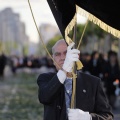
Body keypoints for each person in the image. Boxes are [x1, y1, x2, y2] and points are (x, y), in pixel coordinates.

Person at [37, 39, 113, 120]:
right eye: (57, 54)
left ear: (76, 55)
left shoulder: (93, 82)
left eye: (66, 53)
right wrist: (65, 69)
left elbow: (108, 116)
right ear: (53, 59)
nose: (62, 57)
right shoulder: (45, 78)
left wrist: (88, 117)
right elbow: (44, 98)